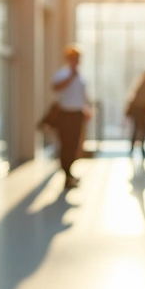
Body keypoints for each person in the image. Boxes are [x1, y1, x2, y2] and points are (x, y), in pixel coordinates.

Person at [51, 45, 90, 189]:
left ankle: (70, 173)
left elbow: (82, 95)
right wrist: (71, 77)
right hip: (65, 114)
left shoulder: (80, 75)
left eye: (78, 58)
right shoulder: (62, 74)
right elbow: (56, 87)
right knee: (66, 144)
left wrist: (86, 109)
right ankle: (67, 175)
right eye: (74, 58)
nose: (77, 61)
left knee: (74, 145)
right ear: (69, 59)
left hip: (78, 114)